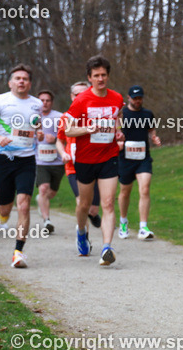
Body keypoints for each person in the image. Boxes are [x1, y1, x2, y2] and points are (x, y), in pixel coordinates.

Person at [0, 64, 42, 268]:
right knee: (5, 205)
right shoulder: (1, 100)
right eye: (17, 78)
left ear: (29, 83)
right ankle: (2, 212)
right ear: (10, 82)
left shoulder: (36, 103)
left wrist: (38, 133)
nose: (21, 81)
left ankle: (18, 252)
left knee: (23, 204)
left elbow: (34, 127)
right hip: (3, 159)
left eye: (25, 78)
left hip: (26, 159)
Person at [63, 55, 124, 264]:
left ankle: (107, 247)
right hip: (85, 159)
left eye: (104, 75)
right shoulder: (82, 101)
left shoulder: (116, 98)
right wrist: (86, 129)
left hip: (109, 157)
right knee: (85, 204)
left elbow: (117, 120)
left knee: (108, 202)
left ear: (108, 76)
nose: (100, 79)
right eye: (96, 75)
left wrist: (119, 133)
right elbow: (68, 128)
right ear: (89, 78)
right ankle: (81, 231)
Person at [115, 85, 161, 241]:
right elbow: (116, 132)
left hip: (143, 158)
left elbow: (151, 131)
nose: (137, 101)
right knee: (125, 192)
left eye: (140, 98)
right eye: (134, 98)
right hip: (126, 159)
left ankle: (143, 226)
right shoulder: (122, 114)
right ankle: (123, 222)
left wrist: (155, 138)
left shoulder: (148, 114)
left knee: (145, 189)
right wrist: (118, 143)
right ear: (128, 98)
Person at [57, 82, 103, 228]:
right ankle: (83, 236)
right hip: (73, 167)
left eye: (84, 93)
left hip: (93, 164)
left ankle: (93, 215)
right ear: (72, 97)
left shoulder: (96, 115)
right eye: (77, 94)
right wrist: (63, 153)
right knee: (82, 203)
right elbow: (59, 140)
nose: (81, 97)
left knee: (92, 208)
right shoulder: (66, 117)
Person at [34, 90, 64, 234]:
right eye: (41, 100)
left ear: (51, 102)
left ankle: (41, 200)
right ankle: (47, 221)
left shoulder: (59, 117)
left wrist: (56, 139)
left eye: (47, 100)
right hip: (40, 161)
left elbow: (67, 137)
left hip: (57, 161)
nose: (44, 103)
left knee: (51, 193)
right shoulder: (33, 118)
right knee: (44, 188)